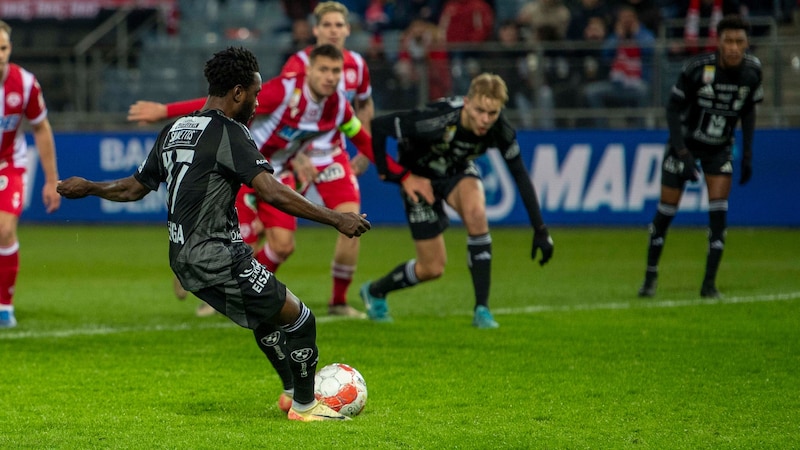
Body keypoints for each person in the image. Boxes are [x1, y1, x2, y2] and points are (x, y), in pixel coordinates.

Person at [58, 46, 370, 421]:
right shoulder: (230, 133)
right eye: (254, 95)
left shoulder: (175, 129)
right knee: (302, 320)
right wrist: (338, 219)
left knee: (266, 318)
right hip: (216, 255)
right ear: (237, 92)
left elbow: (134, 188)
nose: (257, 104)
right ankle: (306, 407)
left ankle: (290, 392)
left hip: (183, 257)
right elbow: (270, 190)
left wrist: (89, 187)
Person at [129, 1, 373, 319]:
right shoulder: (291, 78)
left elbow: (358, 120)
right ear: (315, 31)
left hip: (290, 164)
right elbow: (227, 98)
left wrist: (385, 162)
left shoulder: (351, 82)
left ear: (348, 30)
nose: (333, 31)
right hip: (245, 160)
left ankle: (327, 299)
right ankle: (217, 287)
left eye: (339, 25)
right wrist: (166, 111)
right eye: (327, 25)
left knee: (283, 244)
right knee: (233, 235)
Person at [358, 73, 554, 329]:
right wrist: (399, 176)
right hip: (418, 176)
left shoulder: (500, 130)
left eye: (492, 113)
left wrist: (540, 230)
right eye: (480, 111)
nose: (485, 120)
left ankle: (482, 309)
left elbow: (521, 176)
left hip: (455, 170)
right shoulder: (435, 120)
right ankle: (375, 291)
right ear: (467, 102)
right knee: (432, 267)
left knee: (476, 213)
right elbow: (381, 126)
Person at [638, 15, 762, 299]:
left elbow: (749, 110)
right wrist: (682, 153)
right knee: (666, 213)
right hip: (685, 146)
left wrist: (749, 154)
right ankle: (650, 277)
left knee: (718, 214)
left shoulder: (753, 71)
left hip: (719, 149)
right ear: (718, 41)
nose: (733, 47)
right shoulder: (697, 69)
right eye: (728, 41)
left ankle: (709, 285)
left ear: (747, 44)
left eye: (739, 41)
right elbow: (672, 109)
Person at [0, 20, 61, 328]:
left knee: (5, 230)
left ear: (10, 49)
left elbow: (41, 128)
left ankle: (4, 307)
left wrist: (51, 180)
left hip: (8, 163)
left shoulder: (25, 84)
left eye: (3, 47)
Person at [582, 5, 656, 127]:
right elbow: (605, 54)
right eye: (623, 18)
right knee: (592, 92)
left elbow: (651, 48)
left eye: (629, 17)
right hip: (616, 84)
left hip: (637, 83)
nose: (626, 21)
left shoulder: (644, 34)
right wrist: (618, 36)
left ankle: (641, 128)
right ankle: (602, 128)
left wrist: (636, 34)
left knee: (644, 91)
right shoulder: (615, 36)